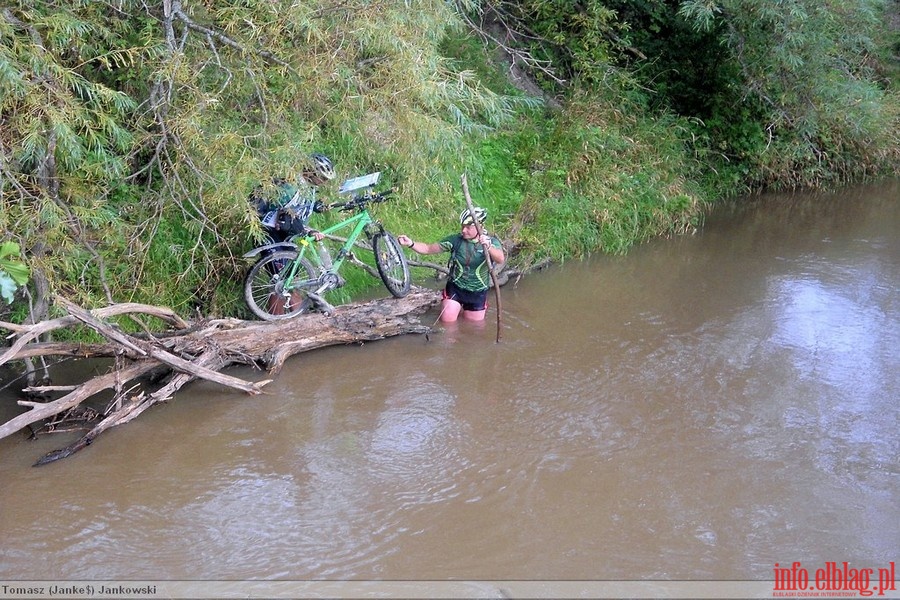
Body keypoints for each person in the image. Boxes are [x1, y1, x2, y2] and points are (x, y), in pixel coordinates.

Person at [397, 206, 505, 323]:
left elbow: (500, 259)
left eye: (468, 227)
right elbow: (428, 249)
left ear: (480, 226)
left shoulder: (491, 242)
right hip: (456, 288)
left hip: (478, 293)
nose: (463, 230)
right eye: (462, 226)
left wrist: (488, 247)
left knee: (474, 328)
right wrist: (410, 243)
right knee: (447, 324)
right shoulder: (455, 240)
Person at [249, 152, 336, 243]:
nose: (324, 182)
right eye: (323, 178)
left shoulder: (309, 189)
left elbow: (299, 218)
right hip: (268, 230)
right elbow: (284, 214)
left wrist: (310, 231)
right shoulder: (290, 186)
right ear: (312, 172)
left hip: (284, 235)